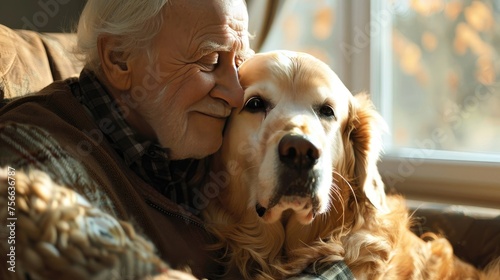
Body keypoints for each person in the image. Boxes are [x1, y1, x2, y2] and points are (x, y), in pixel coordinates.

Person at [0, 0, 354, 279]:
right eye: (210, 61)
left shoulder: (179, 139)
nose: (234, 94)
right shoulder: (35, 158)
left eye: (238, 64)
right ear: (119, 60)